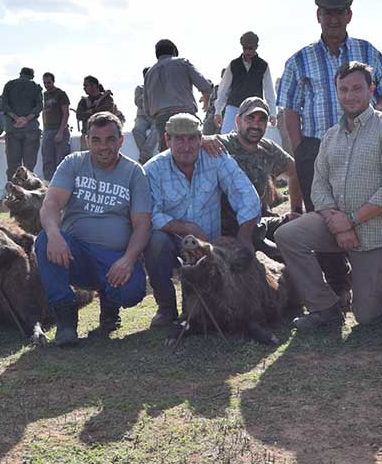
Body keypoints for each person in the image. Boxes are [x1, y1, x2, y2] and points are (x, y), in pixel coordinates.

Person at [278, 0, 382, 304]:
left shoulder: (367, 51)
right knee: (322, 216)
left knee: (369, 209)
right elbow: (290, 108)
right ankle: (338, 285)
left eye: (339, 13)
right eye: (327, 13)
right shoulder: (299, 60)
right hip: (316, 148)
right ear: (318, 16)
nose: (333, 19)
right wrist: (301, 149)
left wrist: (375, 120)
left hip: (365, 145)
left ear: (349, 16)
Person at [275, 62, 382, 331]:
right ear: (337, 92)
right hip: (335, 224)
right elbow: (318, 185)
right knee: (287, 235)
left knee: (367, 315)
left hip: (375, 232)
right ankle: (325, 308)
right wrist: (335, 221)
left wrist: (351, 220)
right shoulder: (330, 136)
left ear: (371, 89)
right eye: (344, 89)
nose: (350, 95)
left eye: (357, 88)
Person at [36, 112, 151, 346]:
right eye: (96, 140)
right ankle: (66, 319)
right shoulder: (73, 163)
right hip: (74, 254)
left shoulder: (134, 172)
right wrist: (54, 234)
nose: (104, 146)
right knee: (45, 241)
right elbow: (51, 203)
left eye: (110, 139)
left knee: (133, 292)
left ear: (121, 140)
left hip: (113, 258)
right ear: (86, 140)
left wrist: (128, 260)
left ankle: (110, 304)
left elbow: (142, 225)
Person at [142, 114, 260, 327]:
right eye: (179, 139)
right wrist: (185, 227)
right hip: (173, 241)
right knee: (155, 242)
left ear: (200, 139)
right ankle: (166, 308)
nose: (186, 147)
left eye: (191, 139)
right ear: (167, 140)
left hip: (211, 245)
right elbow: (150, 213)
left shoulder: (216, 157)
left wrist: (245, 236)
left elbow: (245, 193)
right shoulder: (152, 170)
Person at [213, 96, 303, 259]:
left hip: (257, 225)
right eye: (250, 118)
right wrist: (204, 140)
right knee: (281, 256)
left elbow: (295, 171)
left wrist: (296, 210)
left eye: (262, 120)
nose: (255, 125)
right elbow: (192, 147)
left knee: (300, 227)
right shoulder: (220, 145)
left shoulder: (268, 149)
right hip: (224, 232)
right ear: (238, 120)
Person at [143, 39, 214, 151]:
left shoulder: (149, 73)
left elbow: (146, 109)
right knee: (195, 152)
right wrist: (206, 96)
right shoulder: (182, 62)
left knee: (167, 157)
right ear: (174, 51)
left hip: (162, 120)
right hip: (186, 115)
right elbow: (205, 86)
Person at [215, 31, 277, 134]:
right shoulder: (233, 64)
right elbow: (223, 90)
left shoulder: (263, 66)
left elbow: (269, 91)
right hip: (233, 107)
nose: (247, 51)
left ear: (256, 47)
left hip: (254, 110)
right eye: (245, 48)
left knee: (252, 140)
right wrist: (218, 111)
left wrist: (273, 113)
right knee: (226, 140)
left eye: (250, 48)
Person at [1, 67, 43, 180]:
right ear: (32, 76)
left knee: (13, 166)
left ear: (20, 74)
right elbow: (39, 106)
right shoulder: (35, 87)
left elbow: (4, 105)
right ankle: (27, 193)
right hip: (31, 129)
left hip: (12, 129)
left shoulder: (9, 85)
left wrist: (15, 118)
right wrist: (26, 119)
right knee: (29, 167)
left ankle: (14, 193)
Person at [75, 76, 123, 149]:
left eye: (86, 85)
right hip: (88, 134)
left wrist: (90, 111)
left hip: (106, 134)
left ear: (94, 85)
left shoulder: (107, 99)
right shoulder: (83, 101)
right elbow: (79, 115)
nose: (84, 88)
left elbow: (106, 110)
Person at [41, 72, 71, 181]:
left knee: (61, 160)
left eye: (49, 82)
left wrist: (60, 132)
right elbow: (43, 113)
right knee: (47, 160)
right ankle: (49, 185)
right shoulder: (44, 95)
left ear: (53, 81)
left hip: (60, 130)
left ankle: (63, 184)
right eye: (45, 83)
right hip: (47, 130)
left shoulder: (61, 94)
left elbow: (66, 113)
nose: (47, 85)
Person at [132, 67, 159, 163]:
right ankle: (147, 155)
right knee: (136, 130)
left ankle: (145, 155)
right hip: (142, 117)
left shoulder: (160, 88)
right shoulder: (139, 88)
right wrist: (148, 91)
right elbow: (138, 103)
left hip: (155, 116)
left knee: (156, 129)